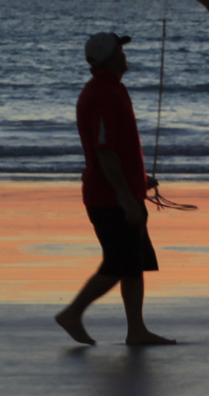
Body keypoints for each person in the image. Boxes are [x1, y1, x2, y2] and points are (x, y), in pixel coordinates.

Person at [55, 33, 171, 347]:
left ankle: (137, 330)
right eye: (120, 50)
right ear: (109, 56)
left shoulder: (112, 89)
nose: (124, 55)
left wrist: (138, 181)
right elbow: (104, 150)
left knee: (133, 265)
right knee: (119, 263)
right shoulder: (104, 93)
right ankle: (72, 313)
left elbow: (116, 149)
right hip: (109, 197)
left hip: (122, 192)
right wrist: (124, 196)